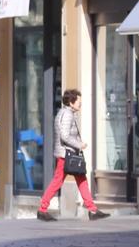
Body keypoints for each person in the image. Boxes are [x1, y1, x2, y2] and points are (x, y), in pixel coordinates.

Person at [38, 89, 110, 221]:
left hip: (68, 154)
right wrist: (79, 144)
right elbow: (65, 136)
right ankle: (42, 209)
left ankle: (92, 209)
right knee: (57, 182)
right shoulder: (67, 115)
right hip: (66, 155)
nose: (80, 104)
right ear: (71, 103)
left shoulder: (64, 112)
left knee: (81, 179)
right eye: (78, 102)